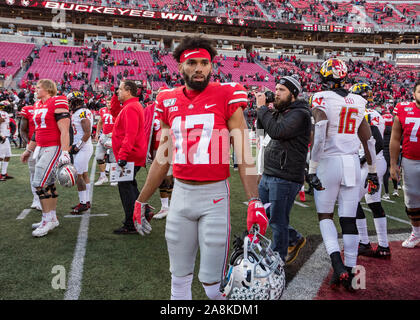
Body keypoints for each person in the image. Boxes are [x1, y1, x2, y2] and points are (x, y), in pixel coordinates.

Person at [133, 36, 268, 300]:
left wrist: (255, 200)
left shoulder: (227, 94)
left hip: (214, 196)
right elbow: (163, 157)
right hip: (180, 195)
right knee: (179, 279)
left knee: (212, 286)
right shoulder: (168, 99)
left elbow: (243, 153)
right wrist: (141, 200)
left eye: (205, 63)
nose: (199, 68)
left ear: (211, 66)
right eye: (192, 63)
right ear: (181, 67)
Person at [308, 59, 379, 291]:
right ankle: (350, 270)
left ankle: (337, 264)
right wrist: (373, 171)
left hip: (329, 161)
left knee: (326, 216)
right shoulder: (358, 100)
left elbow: (319, 130)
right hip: (351, 162)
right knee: (348, 219)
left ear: (323, 77)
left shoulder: (321, 97)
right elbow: (368, 139)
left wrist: (312, 167)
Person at [254, 76, 311, 264]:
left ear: (293, 95)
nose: (276, 93)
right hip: (271, 173)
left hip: (286, 176)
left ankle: (277, 261)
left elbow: (278, 131)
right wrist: (261, 111)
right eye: (276, 89)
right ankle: (294, 238)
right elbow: (262, 133)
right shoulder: (282, 111)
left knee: (278, 221)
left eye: (281, 90)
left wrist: (264, 109)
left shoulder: (300, 113)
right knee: (268, 215)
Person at [20, 79, 71, 237]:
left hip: (53, 146)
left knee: (39, 183)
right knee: (48, 183)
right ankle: (52, 218)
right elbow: (37, 131)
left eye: (38, 87)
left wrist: (64, 152)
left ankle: (46, 219)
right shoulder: (37, 105)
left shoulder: (57, 101)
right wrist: (29, 149)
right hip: (40, 147)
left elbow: (65, 129)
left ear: (48, 89)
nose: (35, 90)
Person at [349, 83, 391, 258]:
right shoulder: (371, 113)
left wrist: (361, 159)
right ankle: (383, 246)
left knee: (352, 201)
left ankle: (364, 242)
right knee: (374, 203)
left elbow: (378, 143)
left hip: (371, 164)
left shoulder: (368, 114)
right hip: (375, 163)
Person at [110, 80, 148, 234]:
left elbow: (130, 134)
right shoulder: (129, 106)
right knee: (129, 185)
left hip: (130, 155)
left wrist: (123, 155)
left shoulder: (131, 107)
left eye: (119, 89)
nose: (117, 91)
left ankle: (131, 223)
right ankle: (143, 213)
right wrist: (114, 96)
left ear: (127, 90)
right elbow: (113, 112)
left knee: (125, 187)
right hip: (132, 154)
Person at [390, 80, 420, 248]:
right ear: (413, 94)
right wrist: (393, 165)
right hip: (410, 161)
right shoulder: (402, 109)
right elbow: (395, 139)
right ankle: (416, 234)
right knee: (412, 200)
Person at [68, 91, 94, 214]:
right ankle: (86, 201)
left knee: (78, 175)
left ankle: (83, 203)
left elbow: (88, 132)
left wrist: (77, 147)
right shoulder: (80, 112)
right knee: (84, 174)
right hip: (83, 147)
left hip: (83, 147)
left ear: (74, 101)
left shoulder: (82, 112)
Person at [20, 103, 41, 210]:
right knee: (33, 171)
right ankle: (36, 198)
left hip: (46, 144)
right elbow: (22, 129)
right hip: (32, 144)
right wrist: (28, 144)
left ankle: (43, 198)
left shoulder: (50, 106)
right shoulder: (28, 109)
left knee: (44, 171)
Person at [94, 96, 117, 186]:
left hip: (114, 137)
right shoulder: (102, 110)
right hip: (104, 135)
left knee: (113, 159)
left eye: (110, 103)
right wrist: (97, 134)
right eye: (107, 103)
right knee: (99, 157)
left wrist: (115, 134)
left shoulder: (118, 110)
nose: (108, 104)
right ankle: (103, 177)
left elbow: (123, 124)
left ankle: (114, 177)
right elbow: (100, 122)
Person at [0, 103, 13, 181]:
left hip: (6, 136)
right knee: (0, 157)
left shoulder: (5, 113)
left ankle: (4, 173)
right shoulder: (1, 113)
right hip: (2, 137)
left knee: (8, 155)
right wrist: (1, 135)